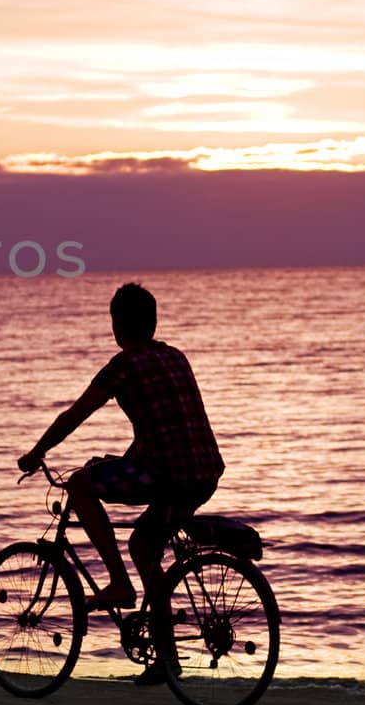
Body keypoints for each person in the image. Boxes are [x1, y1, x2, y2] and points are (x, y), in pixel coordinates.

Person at [17, 281, 224, 683]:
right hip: (204, 473)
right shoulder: (175, 356)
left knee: (79, 484)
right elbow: (165, 430)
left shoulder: (123, 366)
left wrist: (36, 452)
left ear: (117, 326)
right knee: (145, 545)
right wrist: (121, 461)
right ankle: (166, 659)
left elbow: (74, 416)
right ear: (152, 322)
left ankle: (118, 584)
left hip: (169, 476)